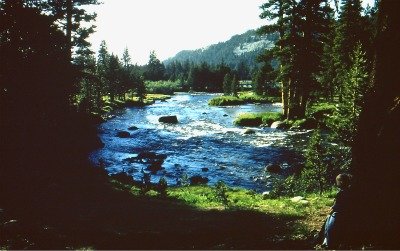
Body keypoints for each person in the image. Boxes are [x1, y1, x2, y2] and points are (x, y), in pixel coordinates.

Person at [322, 173, 353, 249]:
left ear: (341, 182)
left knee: (329, 221)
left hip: (339, 214)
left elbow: (337, 206)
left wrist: (331, 210)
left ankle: (328, 241)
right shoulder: (350, 192)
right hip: (347, 214)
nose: (336, 183)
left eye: (337, 181)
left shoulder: (341, 193)